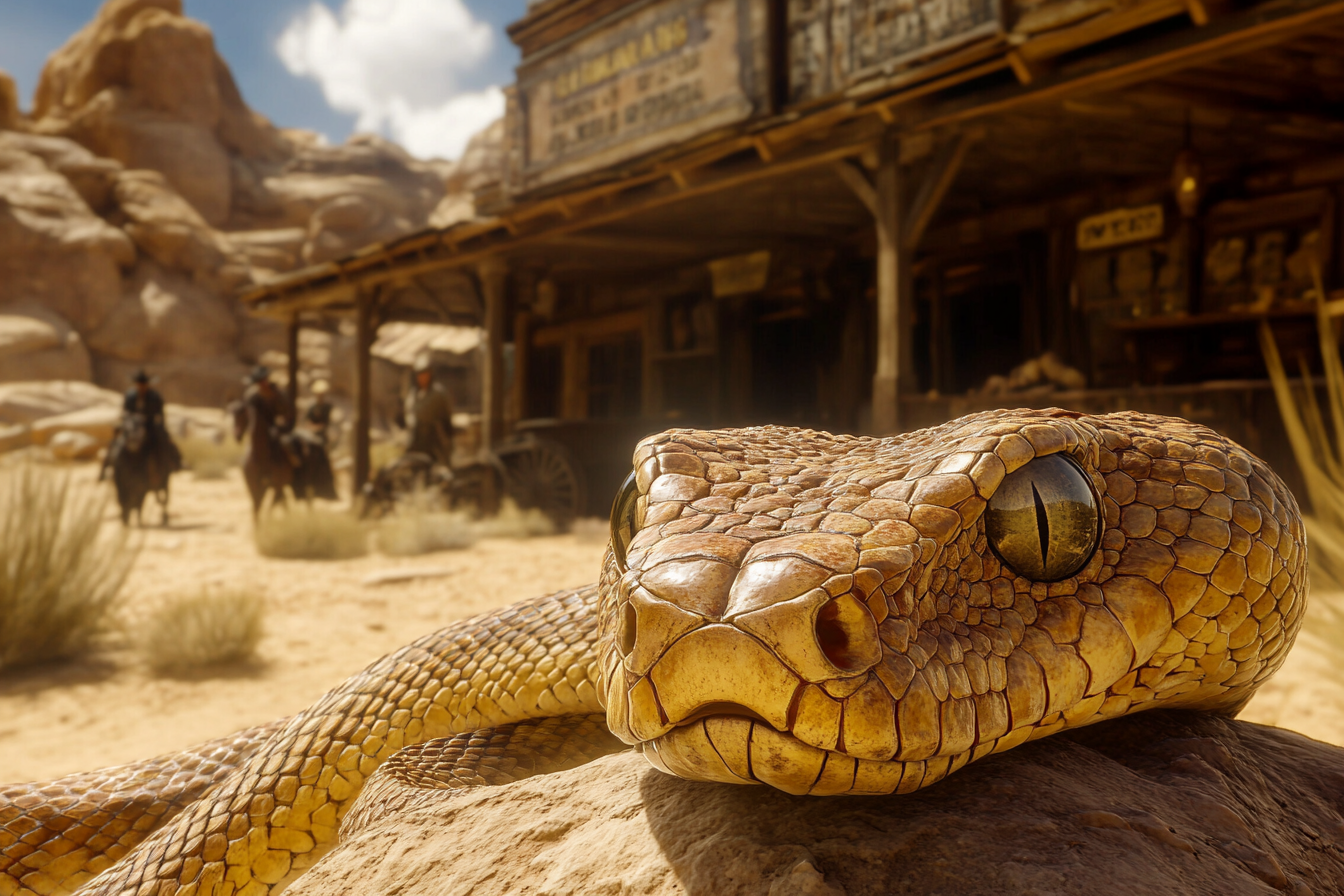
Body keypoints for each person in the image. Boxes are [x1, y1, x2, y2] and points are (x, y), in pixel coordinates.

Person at [103, 369, 181, 479]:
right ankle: (106, 468)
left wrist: (159, 426)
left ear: (147, 385)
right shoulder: (130, 395)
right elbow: (125, 412)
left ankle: (173, 464)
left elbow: (160, 415)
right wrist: (125, 422)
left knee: (163, 440)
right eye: (139, 384)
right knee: (115, 441)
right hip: (132, 425)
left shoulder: (155, 397)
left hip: (150, 426)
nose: (141, 387)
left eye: (143, 385)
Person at [402, 355, 454, 468]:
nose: (423, 378)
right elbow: (409, 415)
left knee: (438, 468)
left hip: (434, 440)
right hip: (417, 440)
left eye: (426, 374)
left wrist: (447, 439)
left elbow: (446, 418)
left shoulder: (439, 394)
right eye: (420, 375)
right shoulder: (413, 396)